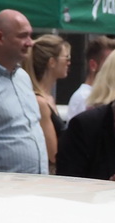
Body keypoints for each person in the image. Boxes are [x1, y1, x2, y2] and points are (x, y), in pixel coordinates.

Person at [0, 10, 45, 175]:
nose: (30, 43)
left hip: (38, 185)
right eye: (23, 36)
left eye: (31, 35)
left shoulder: (23, 77)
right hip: (2, 189)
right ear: (0, 38)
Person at [29, 36, 70, 172]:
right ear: (52, 62)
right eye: (66, 58)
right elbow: (53, 154)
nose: (69, 63)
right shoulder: (40, 102)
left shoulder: (47, 99)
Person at [67, 35, 115, 120]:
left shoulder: (96, 95)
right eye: (109, 63)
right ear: (93, 65)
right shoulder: (84, 97)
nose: (114, 68)